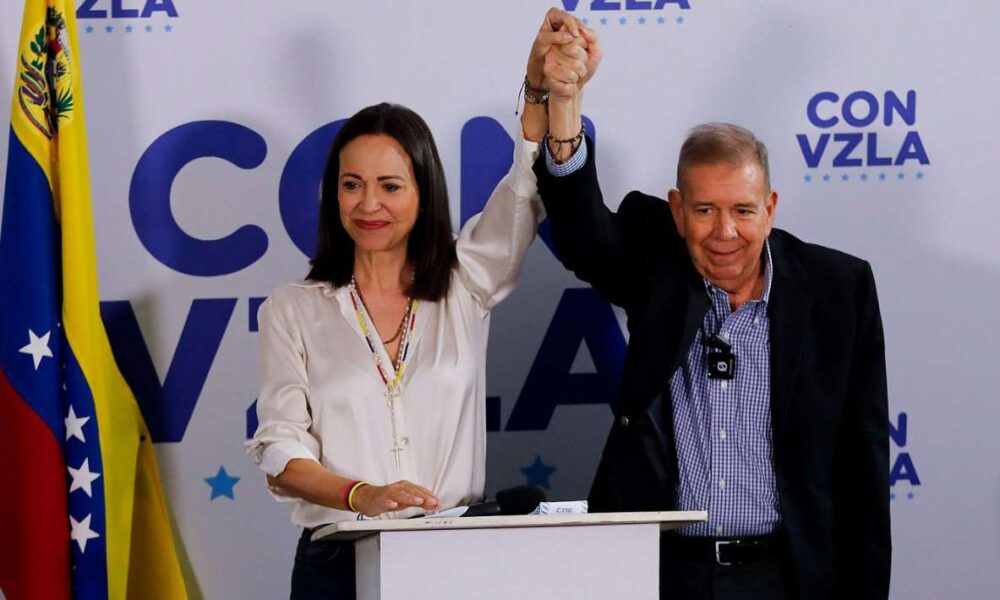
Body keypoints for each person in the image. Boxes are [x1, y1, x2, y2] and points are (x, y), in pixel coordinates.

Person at [533, 13, 890, 599]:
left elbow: (864, 469)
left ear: (770, 208)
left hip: (789, 578)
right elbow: (585, 236)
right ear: (677, 211)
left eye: (743, 211)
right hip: (662, 575)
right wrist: (565, 105)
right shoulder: (658, 262)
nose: (725, 232)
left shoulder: (838, 289)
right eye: (704, 211)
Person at [246, 11, 588, 599]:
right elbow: (280, 449)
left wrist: (539, 88)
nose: (368, 203)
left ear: (423, 191)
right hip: (337, 564)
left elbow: (523, 189)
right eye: (352, 185)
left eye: (390, 185)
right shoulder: (293, 309)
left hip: (450, 557)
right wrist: (362, 496)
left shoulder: (466, 282)